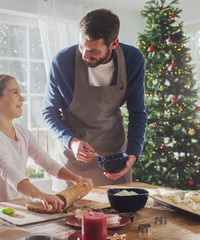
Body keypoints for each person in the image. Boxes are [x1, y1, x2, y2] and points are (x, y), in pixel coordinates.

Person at [42, 9, 147, 191]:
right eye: (82, 46)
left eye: (92, 51)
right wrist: (71, 141)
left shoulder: (132, 60)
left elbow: (138, 114)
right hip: (73, 156)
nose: (84, 55)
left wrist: (133, 153)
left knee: (117, 215)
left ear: (113, 43)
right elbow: (49, 111)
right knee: (69, 216)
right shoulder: (63, 61)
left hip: (113, 158)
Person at [0, 74, 93, 212]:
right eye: (15, 92)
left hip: (13, 208)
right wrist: (37, 194)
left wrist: (76, 178)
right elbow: (6, 168)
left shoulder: (23, 133)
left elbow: (48, 163)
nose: (22, 98)